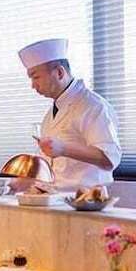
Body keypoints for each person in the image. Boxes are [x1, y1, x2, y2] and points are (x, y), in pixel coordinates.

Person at [18, 38, 122, 188]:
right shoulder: (51, 114)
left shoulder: (93, 105)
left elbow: (110, 158)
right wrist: (22, 182)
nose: (33, 86)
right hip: (54, 196)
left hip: (86, 198)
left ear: (59, 72)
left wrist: (63, 148)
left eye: (36, 77)